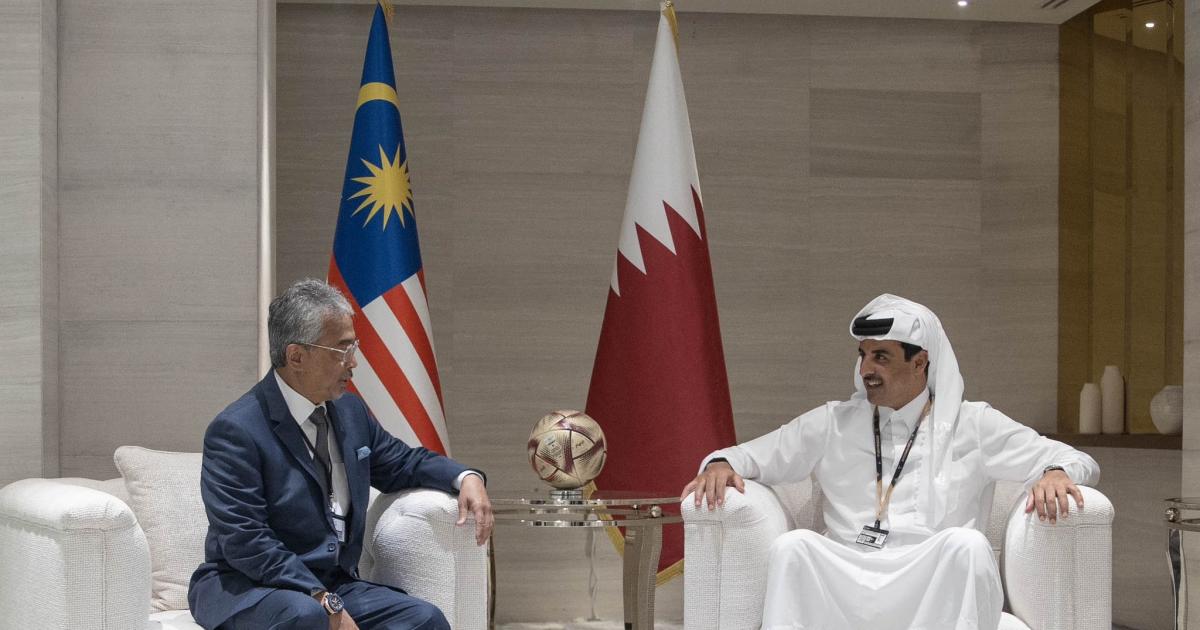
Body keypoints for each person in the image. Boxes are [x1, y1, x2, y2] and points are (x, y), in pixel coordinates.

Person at [681, 294, 1100, 630]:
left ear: (920, 362)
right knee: (795, 547)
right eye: (863, 355)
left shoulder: (973, 424)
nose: (866, 368)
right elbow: (747, 455)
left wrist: (1055, 472)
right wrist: (719, 464)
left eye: (881, 357)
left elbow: (1075, 459)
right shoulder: (833, 422)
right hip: (849, 574)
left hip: (931, 577)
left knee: (967, 545)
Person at [189, 279, 493, 630]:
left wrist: (465, 478)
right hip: (247, 586)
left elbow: (403, 463)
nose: (354, 363)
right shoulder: (236, 430)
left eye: (354, 347)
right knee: (306, 616)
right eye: (342, 350)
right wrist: (322, 599)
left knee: (424, 619)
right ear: (296, 356)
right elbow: (246, 541)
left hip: (331, 584)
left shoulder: (350, 412)